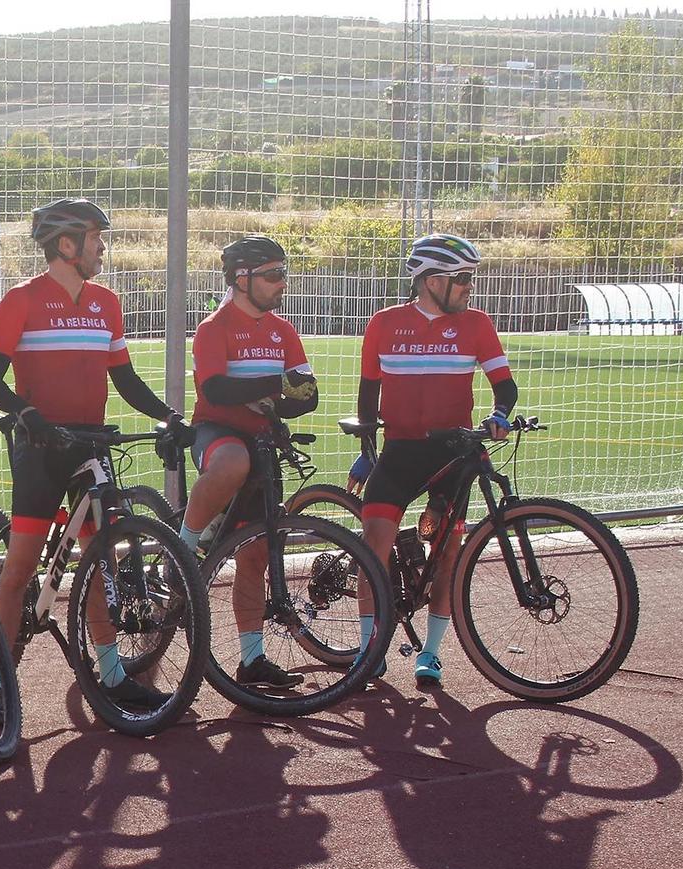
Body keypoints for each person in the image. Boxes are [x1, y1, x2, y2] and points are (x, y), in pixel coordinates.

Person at [0, 198, 185, 727]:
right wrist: (27, 413)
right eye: (96, 237)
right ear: (66, 245)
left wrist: (169, 417)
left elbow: (126, 379)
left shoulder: (106, 303)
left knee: (98, 561)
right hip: (41, 448)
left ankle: (111, 676)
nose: (103, 248)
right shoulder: (21, 300)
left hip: (91, 445)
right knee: (21, 568)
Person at [352, 233, 517, 687]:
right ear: (429, 281)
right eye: (461, 278)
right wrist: (366, 453)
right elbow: (369, 395)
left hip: (454, 452)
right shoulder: (384, 323)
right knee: (373, 548)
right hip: (400, 452)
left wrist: (500, 414)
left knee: (447, 553)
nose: (469, 286)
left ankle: (431, 653)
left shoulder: (477, 324)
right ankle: (370, 651)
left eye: (470, 278)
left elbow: (505, 386)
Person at [177, 235, 319, 691]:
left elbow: (306, 395)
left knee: (255, 553)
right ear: (242, 279)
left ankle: (252, 659)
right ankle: (184, 543)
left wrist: (288, 394)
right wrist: (276, 384)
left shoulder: (284, 330)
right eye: (273, 275)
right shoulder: (214, 327)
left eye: (284, 274)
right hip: (217, 435)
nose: (282, 283)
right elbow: (215, 391)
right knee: (232, 461)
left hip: (264, 442)